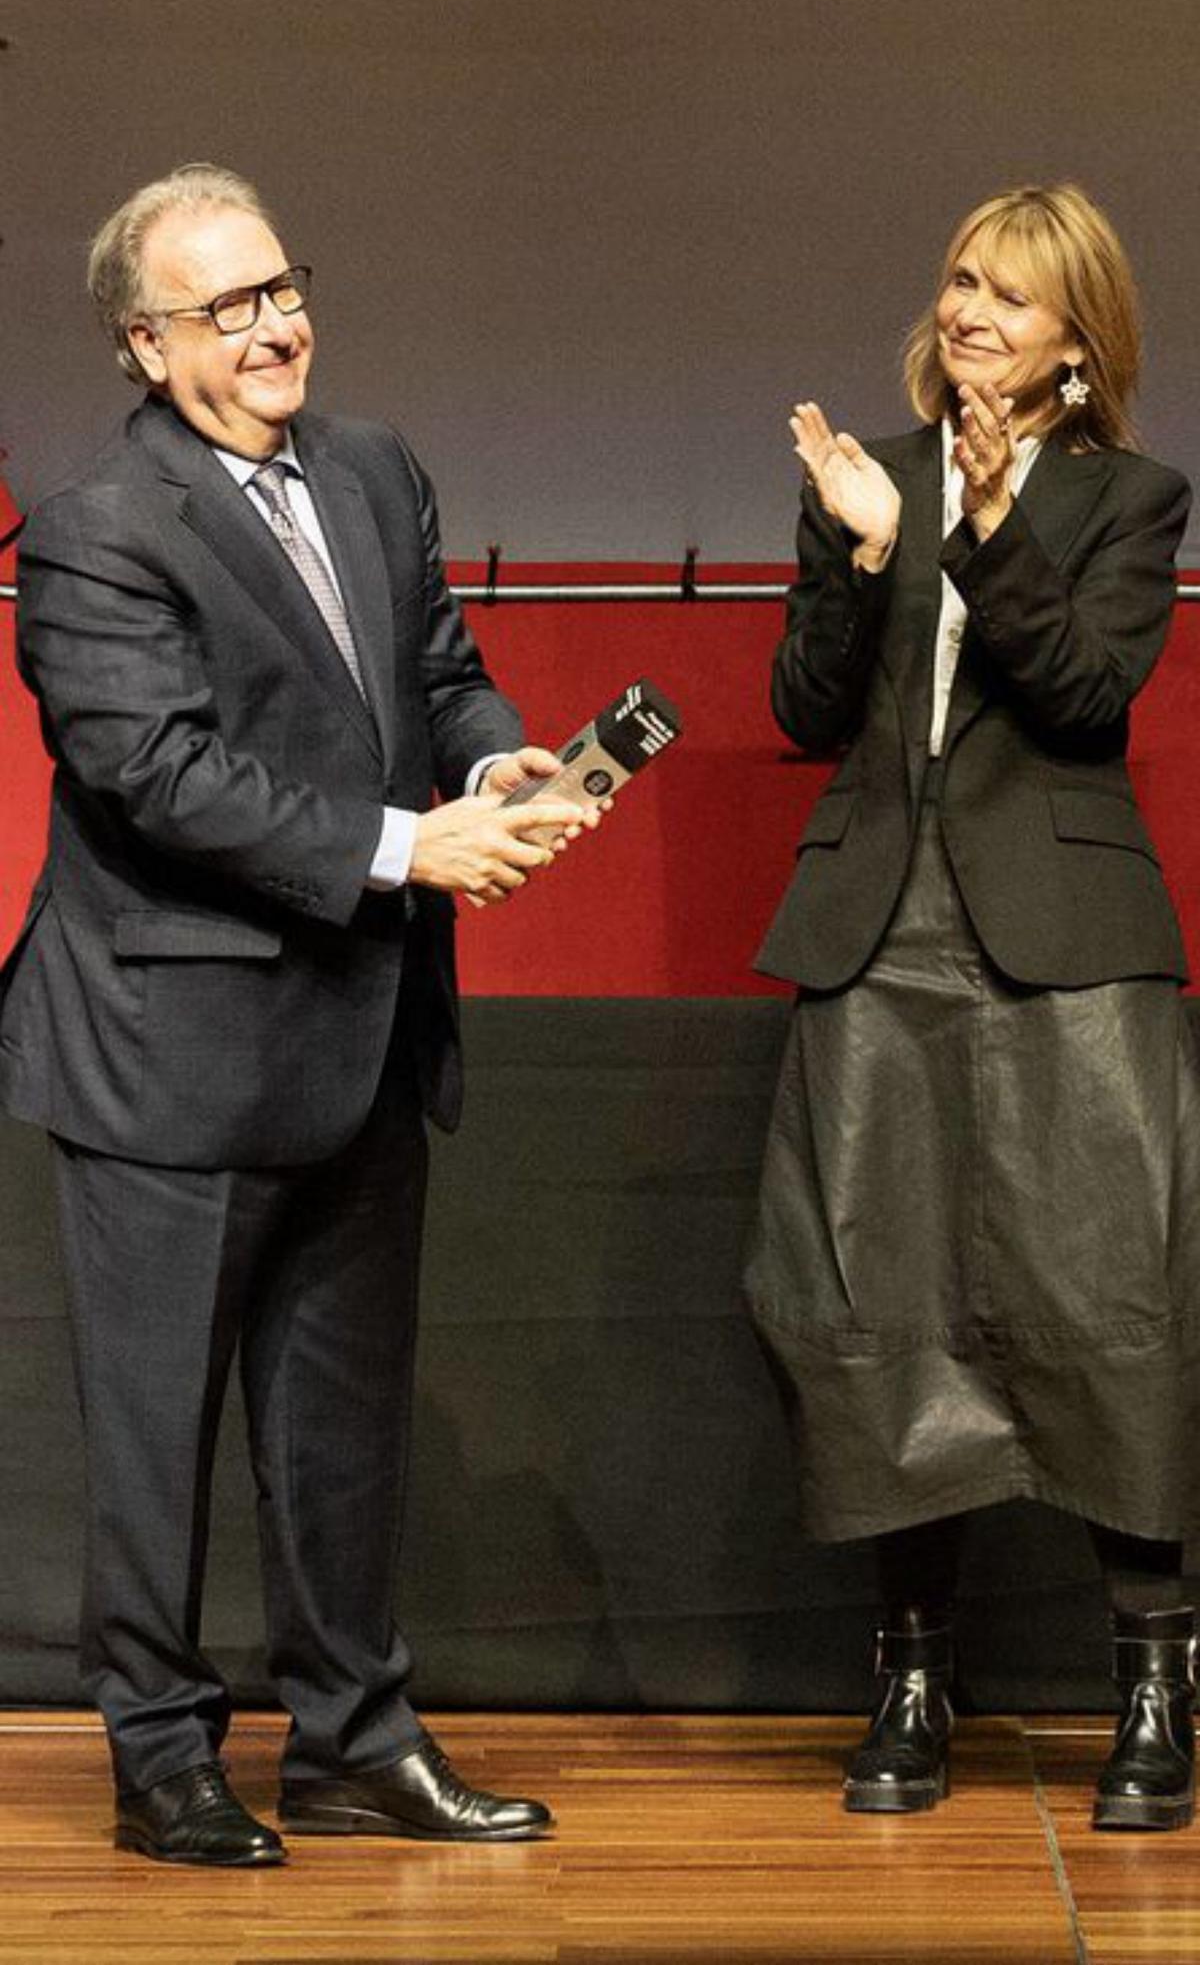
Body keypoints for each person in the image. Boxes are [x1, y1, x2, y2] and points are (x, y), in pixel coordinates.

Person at [0, 163, 600, 1867]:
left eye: (281, 287)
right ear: (141, 342)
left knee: (340, 1430)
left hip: (359, 1031)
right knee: (153, 1438)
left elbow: (435, 671)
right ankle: (164, 1760)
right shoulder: (95, 522)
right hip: (166, 1057)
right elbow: (154, 773)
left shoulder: (373, 466)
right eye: (225, 307)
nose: (274, 327)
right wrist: (418, 844)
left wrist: (497, 756)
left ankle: (352, 1736)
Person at [746, 184, 1200, 1832]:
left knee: (1106, 1311)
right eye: (958, 279)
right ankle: (913, 1679)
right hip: (880, 935)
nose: (972, 313)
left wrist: (991, 534)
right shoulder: (874, 474)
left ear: (1079, 338)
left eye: (1012, 296)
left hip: (1067, 946)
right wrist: (870, 546)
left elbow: (1083, 695)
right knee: (888, 1315)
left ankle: (1154, 1683)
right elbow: (805, 710)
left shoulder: (1130, 498)